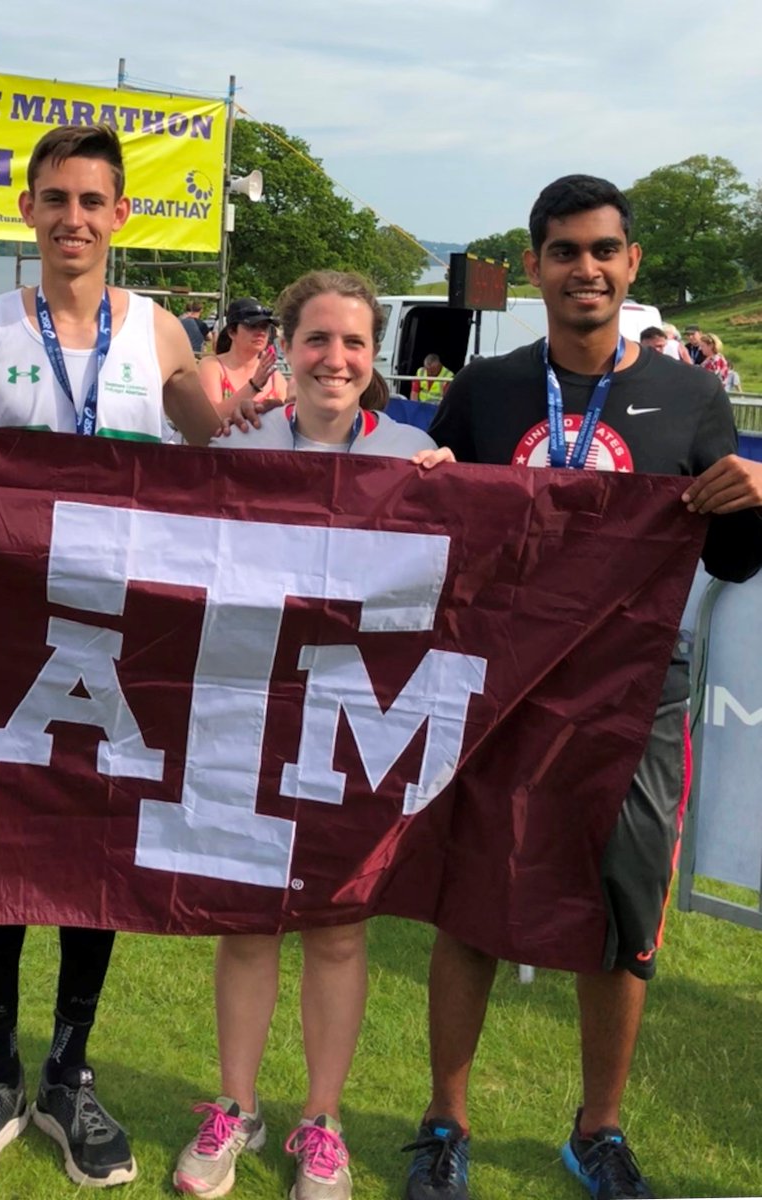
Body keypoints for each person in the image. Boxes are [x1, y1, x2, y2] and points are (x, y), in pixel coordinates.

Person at [404, 174, 762, 1200]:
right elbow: (442, 552)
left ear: (631, 264)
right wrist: (426, 493)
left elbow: (733, 562)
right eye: (564, 252)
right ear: (536, 269)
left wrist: (752, 496)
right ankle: (444, 1123)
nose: (586, 269)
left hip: (637, 693)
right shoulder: (488, 390)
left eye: (604, 250)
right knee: (471, 902)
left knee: (623, 912)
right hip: (501, 690)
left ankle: (598, 1130)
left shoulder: (691, 394)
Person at [0, 123, 219, 1200]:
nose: (73, 219)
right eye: (54, 199)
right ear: (27, 210)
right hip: (5, 635)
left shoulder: (165, 333)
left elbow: (218, 453)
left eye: (92, 201)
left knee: (99, 844)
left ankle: (68, 1068)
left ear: (121, 215)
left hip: (124, 636)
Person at [173, 271, 444, 1200]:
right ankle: (235, 1107)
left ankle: (321, 1120)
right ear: (284, 346)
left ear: (377, 361)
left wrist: (454, 494)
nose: (336, 359)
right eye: (317, 340)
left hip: (357, 712)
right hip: (249, 702)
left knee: (337, 923)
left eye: (355, 344)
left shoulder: (414, 449)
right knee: (247, 916)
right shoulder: (246, 443)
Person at [199, 298, 289, 417]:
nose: (260, 332)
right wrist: (254, 386)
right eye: (252, 326)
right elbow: (211, 419)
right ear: (232, 332)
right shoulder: (212, 366)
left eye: (264, 327)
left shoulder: (275, 378)